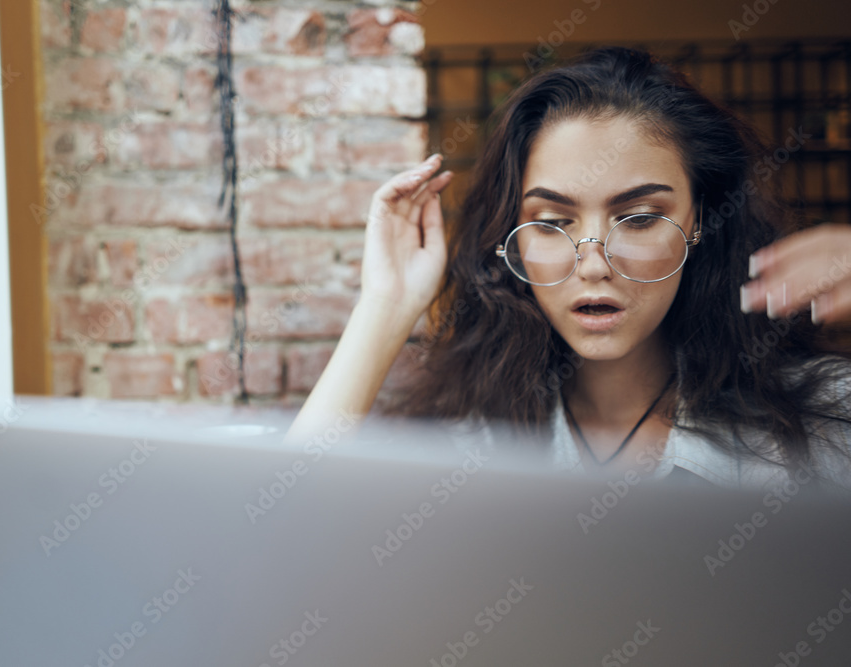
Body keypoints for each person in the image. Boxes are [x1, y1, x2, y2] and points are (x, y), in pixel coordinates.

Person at [284, 46, 851, 491]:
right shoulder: (463, 445)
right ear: (515, 238)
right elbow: (274, 533)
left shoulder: (822, 419)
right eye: (552, 222)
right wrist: (385, 305)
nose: (594, 262)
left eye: (638, 217)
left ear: (700, 220)